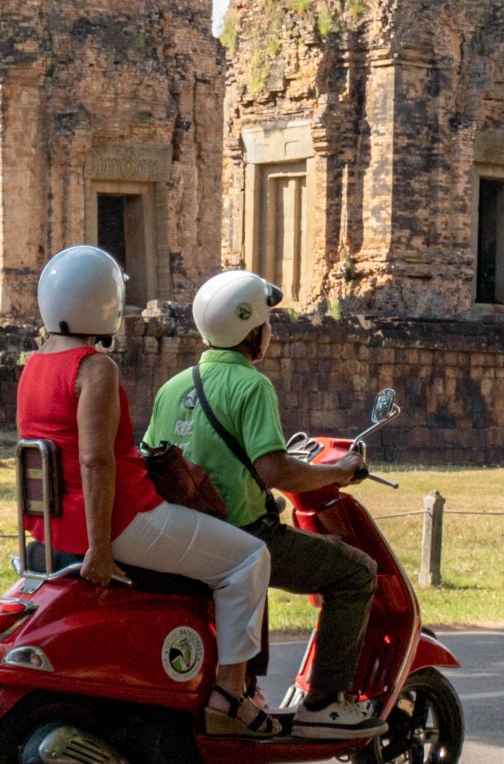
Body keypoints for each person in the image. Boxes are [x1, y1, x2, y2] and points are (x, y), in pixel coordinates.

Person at [16, 245, 287, 739]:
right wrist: (101, 549)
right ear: (106, 303)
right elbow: (96, 461)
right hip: (124, 520)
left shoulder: (34, 365)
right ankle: (230, 693)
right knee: (249, 559)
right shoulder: (94, 368)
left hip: (54, 526)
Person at [145, 270, 385, 736]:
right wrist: (338, 472)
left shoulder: (172, 387)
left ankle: (249, 683)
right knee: (355, 572)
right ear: (251, 328)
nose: (269, 332)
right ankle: (326, 703)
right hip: (243, 535)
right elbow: (274, 471)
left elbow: (154, 457)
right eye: (266, 323)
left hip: (185, 534)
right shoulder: (252, 386)